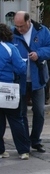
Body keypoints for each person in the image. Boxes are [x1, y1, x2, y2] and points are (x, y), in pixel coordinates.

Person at [12, 11, 50, 153]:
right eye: (17, 26)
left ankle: (35, 139)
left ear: (28, 21)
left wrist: (39, 54)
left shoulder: (42, 31)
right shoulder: (12, 34)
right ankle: (25, 141)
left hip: (37, 79)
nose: (19, 29)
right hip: (20, 81)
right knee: (21, 113)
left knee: (39, 111)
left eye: (22, 26)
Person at [0, 23, 31, 160]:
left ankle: (1, 151)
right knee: (16, 119)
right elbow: (21, 69)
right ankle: (23, 150)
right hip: (8, 88)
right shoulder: (10, 48)